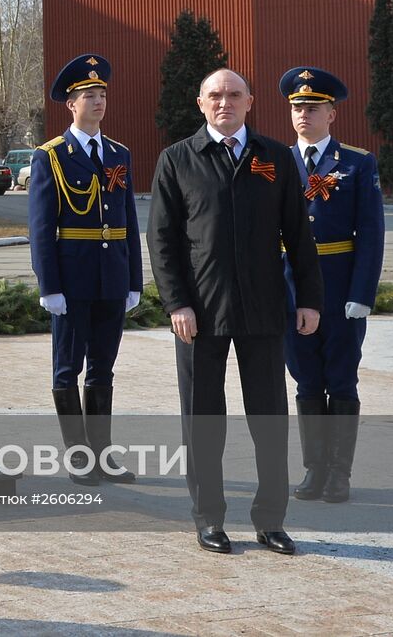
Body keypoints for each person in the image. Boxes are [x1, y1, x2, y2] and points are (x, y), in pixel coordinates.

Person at [148, 67, 323, 556]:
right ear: (201, 104)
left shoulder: (276, 158)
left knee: (268, 418)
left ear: (251, 102)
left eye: (234, 95)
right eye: (215, 95)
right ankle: (209, 519)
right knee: (204, 420)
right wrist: (176, 303)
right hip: (199, 314)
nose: (224, 102)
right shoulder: (178, 160)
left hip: (264, 311)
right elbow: (161, 241)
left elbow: (299, 234)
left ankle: (271, 521)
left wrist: (309, 298)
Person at [28, 54, 141, 485]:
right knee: (66, 368)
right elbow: (41, 226)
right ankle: (79, 457)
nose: (97, 102)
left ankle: (103, 455)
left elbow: (128, 218)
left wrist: (134, 279)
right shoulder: (52, 156)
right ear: (70, 104)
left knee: (102, 369)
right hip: (72, 280)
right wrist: (49, 284)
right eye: (88, 96)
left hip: (112, 277)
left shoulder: (119, 153)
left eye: (102, 95)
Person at [277, 67, 384, 504]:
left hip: (339, 285)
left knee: (340, 378)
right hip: (290, 288)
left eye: (313, 107)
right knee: (305, 380)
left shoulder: (357, 163)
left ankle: (339, 472)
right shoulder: (274, 162)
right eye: (297, 107)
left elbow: (371, 233)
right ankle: (314, 469)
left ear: (332, 114)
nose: (304, 114)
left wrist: (362, 294)